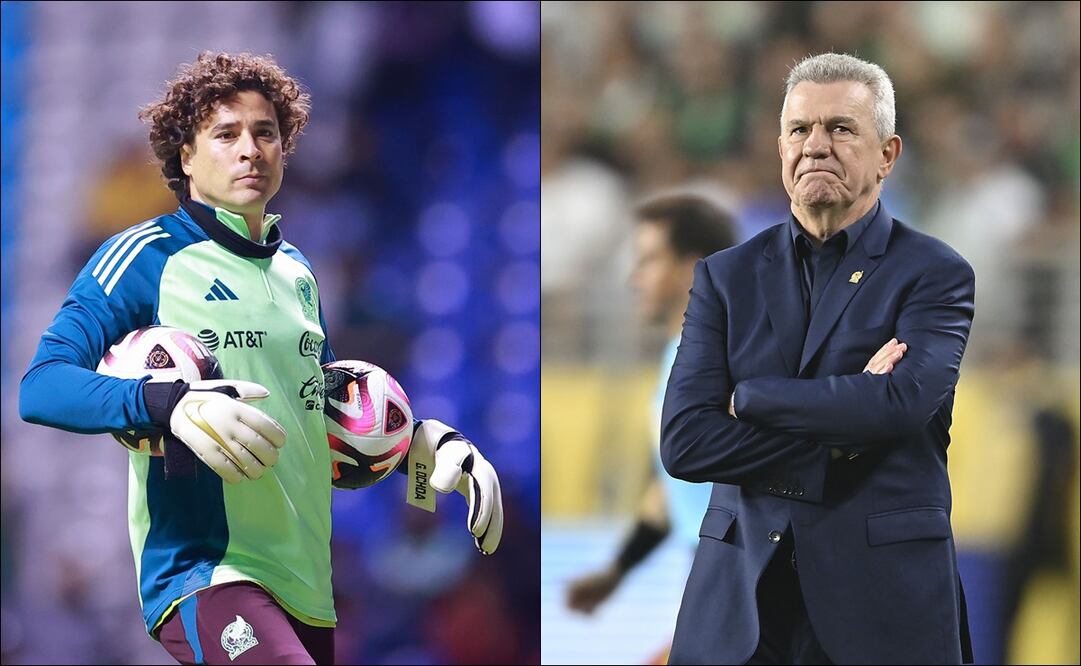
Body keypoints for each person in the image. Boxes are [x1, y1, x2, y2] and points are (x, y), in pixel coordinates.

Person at [19, 51, 503, 665]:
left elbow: (320, 409)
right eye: (226, 134)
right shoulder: (143, 256)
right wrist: (167, 403)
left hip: (305, 586)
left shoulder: (298, 271)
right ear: (186, 155)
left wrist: (420, 444)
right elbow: (41, 388)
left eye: (265, 132)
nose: (250, 149)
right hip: (205, 574)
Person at [660, 52, 976, 665]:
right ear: (780, 147)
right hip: (741, 608)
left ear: (887, 155)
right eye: (800, 130)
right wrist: (842, 425)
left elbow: (900, 404)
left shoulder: (936, 274)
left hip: (885, 607)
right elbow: (685, 442)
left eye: (841, 129)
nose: (816, 146)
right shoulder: (725, 278)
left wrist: (749, 399)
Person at [564, 195, 737, 622]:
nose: (633, 277)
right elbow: (674, 490)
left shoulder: (734, 360)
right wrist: (617, 570)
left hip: (738, 585)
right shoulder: (677, 358)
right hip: (710, 581)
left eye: (648, 260)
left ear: (693, 267)